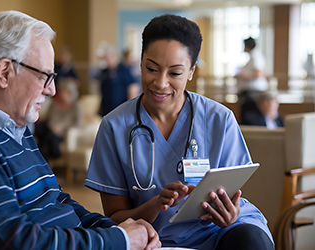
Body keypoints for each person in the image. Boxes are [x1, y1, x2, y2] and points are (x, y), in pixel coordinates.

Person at [0, 10, 161, 250]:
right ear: (4, 72)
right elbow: (16, 241)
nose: (52, 90)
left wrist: (115, 231)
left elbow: (58, 200)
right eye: (46, 76)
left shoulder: (14, 126)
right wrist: (121, 241)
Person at [85, 14, 274, 250]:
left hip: (221, 232)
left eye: (175, 73)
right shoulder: (114, 126)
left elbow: (233, 195)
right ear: (141, 63)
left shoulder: (219, 119)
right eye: (151, 68)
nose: (161, 83)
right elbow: (114, 218)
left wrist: (230, 215)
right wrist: (155, 205)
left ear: (191, 71)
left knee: (251, 242)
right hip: (155, 238)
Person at [34, 77, 83, 160]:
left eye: (62, 91)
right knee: (40, 130)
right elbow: (48, 118)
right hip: (49, 128)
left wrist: (61, 128)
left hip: (62, 133)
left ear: (69, 92)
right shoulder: (54, 104)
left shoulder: (76, 106)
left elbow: (78, 124)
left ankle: (42, 161)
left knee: (47, 139)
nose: (59, 93)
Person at [96, 45, 140, 117]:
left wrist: (131, 108)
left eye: (107, 58)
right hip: (106, 110)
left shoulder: (124, 70)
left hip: (121, 110)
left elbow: (133, 87)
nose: (106, 60)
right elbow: (103, 92)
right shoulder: (104, 72)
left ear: (113, 56)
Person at [235, 37, 268, 122]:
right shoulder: (252, 56)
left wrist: (242, 76)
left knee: (249, 117)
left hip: (253, 93)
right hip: (249, 92)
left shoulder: (256, 57)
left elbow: (258, 74)